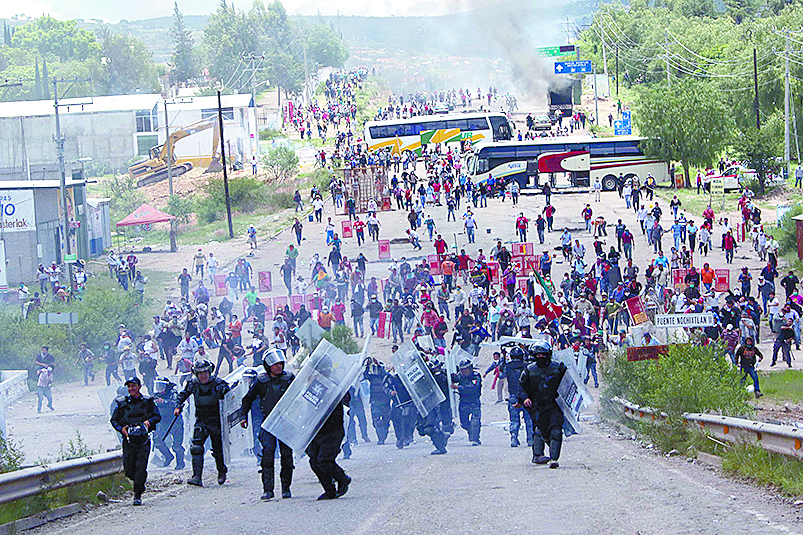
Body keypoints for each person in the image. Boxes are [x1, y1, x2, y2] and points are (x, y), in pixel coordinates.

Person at [241, 348, 295, 500]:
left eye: (280, 364)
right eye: (275, 364)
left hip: (286, 421)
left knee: (286, 455)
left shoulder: (289, 378)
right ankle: (268, 489)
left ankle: (286, 487)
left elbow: (300, 394)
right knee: (267, 454)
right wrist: (243, 416)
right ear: (268, 366)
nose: (279, 367)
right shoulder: (261, 381)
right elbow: (247, 399)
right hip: (269, 422)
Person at [175, 359, 231, 487]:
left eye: (205, 372)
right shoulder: (193, 384)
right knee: (196, 447)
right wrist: (178, 406)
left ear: (209, 372)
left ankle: (221, 470)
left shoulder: (218, 383)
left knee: (218, 449)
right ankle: (197, 476)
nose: (203, 376)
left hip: (216, 420)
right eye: (199, 373)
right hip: (201, 419)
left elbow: (231, 397)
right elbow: (182, 395)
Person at [513, 340, 566, 468]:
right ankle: (537, 455)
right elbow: (521, 387)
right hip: (538, 405)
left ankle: (554, 458)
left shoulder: (558, 367)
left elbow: (569, 382)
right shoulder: (529, 369)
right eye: (538, 355)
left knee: (556, 431)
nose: (540, 357)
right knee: (540, 430)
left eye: (543, 354)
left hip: (555, 403)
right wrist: (524, 399)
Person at [110, 377, 161, 506]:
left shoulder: (148, 401)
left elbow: (157, 416)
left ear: (139, 386)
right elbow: (114, 420)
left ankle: (137, 494)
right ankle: (140, 482)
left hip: (143, 440)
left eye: (133, 386)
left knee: (140, 466)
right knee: (129, 469)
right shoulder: (122, 403)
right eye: (129, 387)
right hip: (129, 440)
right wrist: (122, 429)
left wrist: (149, 422)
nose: (131, 389)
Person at [306, 389, 351, 500]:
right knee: (314, 462)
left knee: (324, 460)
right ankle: (329, 490)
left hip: (332, 430)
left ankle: (342, 479)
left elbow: (346, 398)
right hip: (317, 430)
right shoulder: (310, 389)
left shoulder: (334, 389)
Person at [152, 377, 185, 470]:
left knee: (177, 445)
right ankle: (168, 456)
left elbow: (177, 404)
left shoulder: (173, 394)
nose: (159, 389)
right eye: (158, 386)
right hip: (163, 422)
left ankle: (180, 463)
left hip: (175, 422)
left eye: (161, 387)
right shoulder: (156, 395)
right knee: (157, 440)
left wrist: (164, 402)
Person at [505, 346, 533, 448]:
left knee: (514, 419)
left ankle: (513, 437)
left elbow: (501, 371)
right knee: (529, 419)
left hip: (513, 395)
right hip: (525, 396)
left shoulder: (508, 366)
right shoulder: (526, 366)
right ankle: (530, 439)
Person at [452, 358, 482, 445]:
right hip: (463, 402)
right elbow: (454, 378)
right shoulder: (460, 376)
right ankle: (471, 432)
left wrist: (458, 388)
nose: (464, 371)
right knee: (464, 422)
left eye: (466, 369)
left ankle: (475, 439)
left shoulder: (475, 376)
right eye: (462, 370)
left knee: (475, 421)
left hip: (474, 401)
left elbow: (473, 388)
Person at [363, 358, 391, 444]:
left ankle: (384, 435)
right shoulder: (372, 377)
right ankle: (381, 439)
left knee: (386, 421)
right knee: (377, 422)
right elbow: (365, 375)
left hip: (385, 402)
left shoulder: (385, 376)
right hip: (375, 401)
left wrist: (379, 365)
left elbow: (385, 374)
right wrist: (367, 366)